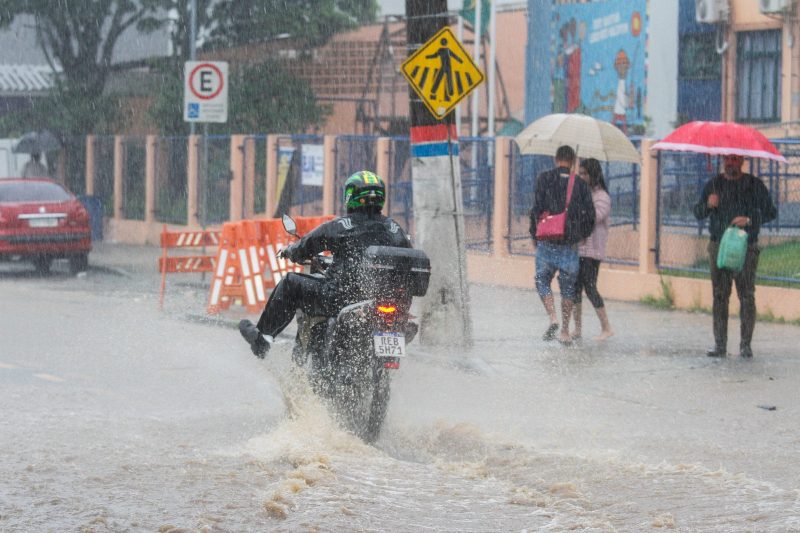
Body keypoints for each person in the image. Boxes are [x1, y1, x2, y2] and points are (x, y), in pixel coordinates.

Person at [239, 171, 412, 358]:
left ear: (350, 196)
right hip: (383, 300)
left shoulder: (342, 226)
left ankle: (262, 340)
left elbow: (306, 245)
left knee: (290, 283)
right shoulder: (395, 229)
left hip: (339, 297)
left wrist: (291, 251)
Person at [693, 154, 777, 358]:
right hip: (719, 246)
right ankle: (719, 344)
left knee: (746, 295)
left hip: (746, 246)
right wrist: (709, 205)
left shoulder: (754, 185)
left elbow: (771, 212)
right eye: (726, 159)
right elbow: (697, 212)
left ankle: (745, 345)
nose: (729, 163)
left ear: (742, 161)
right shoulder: (714, 184)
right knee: (720, 295)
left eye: (734, 159)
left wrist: (749, 219)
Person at [529, 145, 595, 345]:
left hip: (547, 241)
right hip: (569, 244)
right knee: (568, 289)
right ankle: (565, 331)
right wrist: (583, 234)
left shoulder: (544, 178)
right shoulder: (581, 185)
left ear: (555, 159)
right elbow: (590, 215)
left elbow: (535, 209)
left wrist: (534, 234)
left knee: (542, 280)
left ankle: (553, 317)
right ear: (573, 161)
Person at [571, 158, 613, 341]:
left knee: (590, 288)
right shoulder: (581, 194)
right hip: (578, 249)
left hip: (592, 251)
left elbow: (593, 217)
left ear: (593, 175)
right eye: (579, 173)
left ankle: (606, 327)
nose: (581, 177)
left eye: (584, 174)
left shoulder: (602, 197)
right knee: (575, 288)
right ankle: (577, 329)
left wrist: (580, 204)